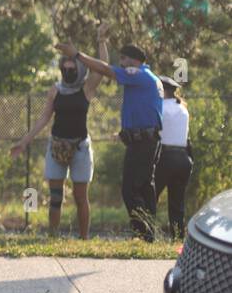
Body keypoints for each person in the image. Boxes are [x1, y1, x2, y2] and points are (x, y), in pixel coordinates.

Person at [55, 29, 163, 240]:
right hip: (146, 140)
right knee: (145, 188)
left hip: (143, 142)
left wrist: (77, 54)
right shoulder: (148, 77)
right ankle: (151, 234)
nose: (120, 63)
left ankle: (145, 236)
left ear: (132, 61)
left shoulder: (138, 74)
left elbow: (105, 69)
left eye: (122, 59)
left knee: (130, 190)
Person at [10, 38, 106, 239]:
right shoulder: (55, 90)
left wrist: (101, 40)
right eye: (65, 69)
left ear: (79, 70)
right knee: (55, 197)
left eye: (72, 69)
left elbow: (103, 67)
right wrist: (24, 141)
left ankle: (83, 239)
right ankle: (52, 238)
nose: (68, 73)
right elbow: (44, 118)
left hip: (80, 147)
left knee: (80, 197)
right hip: (56, 146)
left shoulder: (86, 89)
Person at [155, 76, 193, 240]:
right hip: (183, 158)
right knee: (177, 203)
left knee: (150, 196)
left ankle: (146, 235)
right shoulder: (183, 109)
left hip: (166, 157)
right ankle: (178, 238)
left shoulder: (160, 107)